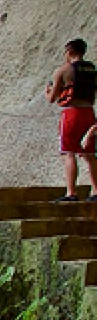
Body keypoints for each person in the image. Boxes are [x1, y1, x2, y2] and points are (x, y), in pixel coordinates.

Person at [47, 38, 97, 200]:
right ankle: (95, 191)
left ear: (69, 51)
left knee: (68, 153)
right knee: (90, 154)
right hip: (89, 113)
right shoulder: (92, 69)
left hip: (71, 113)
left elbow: (52, 98)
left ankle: (71, 192)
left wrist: (48, 91)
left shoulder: (63, 70)